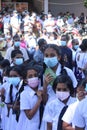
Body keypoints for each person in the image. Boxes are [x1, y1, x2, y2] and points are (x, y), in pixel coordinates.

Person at [16, 65, 44, 130]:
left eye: (35, 75)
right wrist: (39, 100)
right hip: (29, 127)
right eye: (30, 76)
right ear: (25, 80)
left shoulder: (41, 90)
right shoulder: (24, 94)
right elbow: (29, 115)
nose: (34, 77)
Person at [5, 66, 23, 130]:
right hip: (13, 115)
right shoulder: (11, 87)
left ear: (21, 76)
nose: (12, 78)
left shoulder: (24, 88)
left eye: (15, 76)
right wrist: (13, 106)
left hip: (23, 115)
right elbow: (7, 102)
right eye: (10, 76)